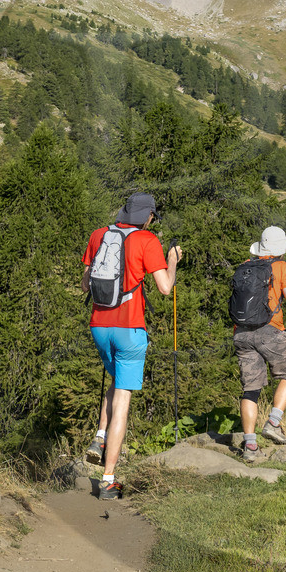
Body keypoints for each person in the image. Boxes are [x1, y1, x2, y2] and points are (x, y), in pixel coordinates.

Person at [82, 192, 181, 500]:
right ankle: (108, 480)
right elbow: (165, 288)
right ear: (148, 216)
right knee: (123, 396)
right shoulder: (147, 240)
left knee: (115, 381)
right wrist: (173, 261)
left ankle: (100, 437)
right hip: (129, 329)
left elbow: (85, 284)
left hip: (99, 326)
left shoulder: (99, 235)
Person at [230, 226, 286, 463]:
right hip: (270, 330)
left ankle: (250, 446)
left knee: (251, 389)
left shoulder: (246, 266)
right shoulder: (282, 267)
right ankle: (273, 423)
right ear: (279, 248)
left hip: (242, 333)